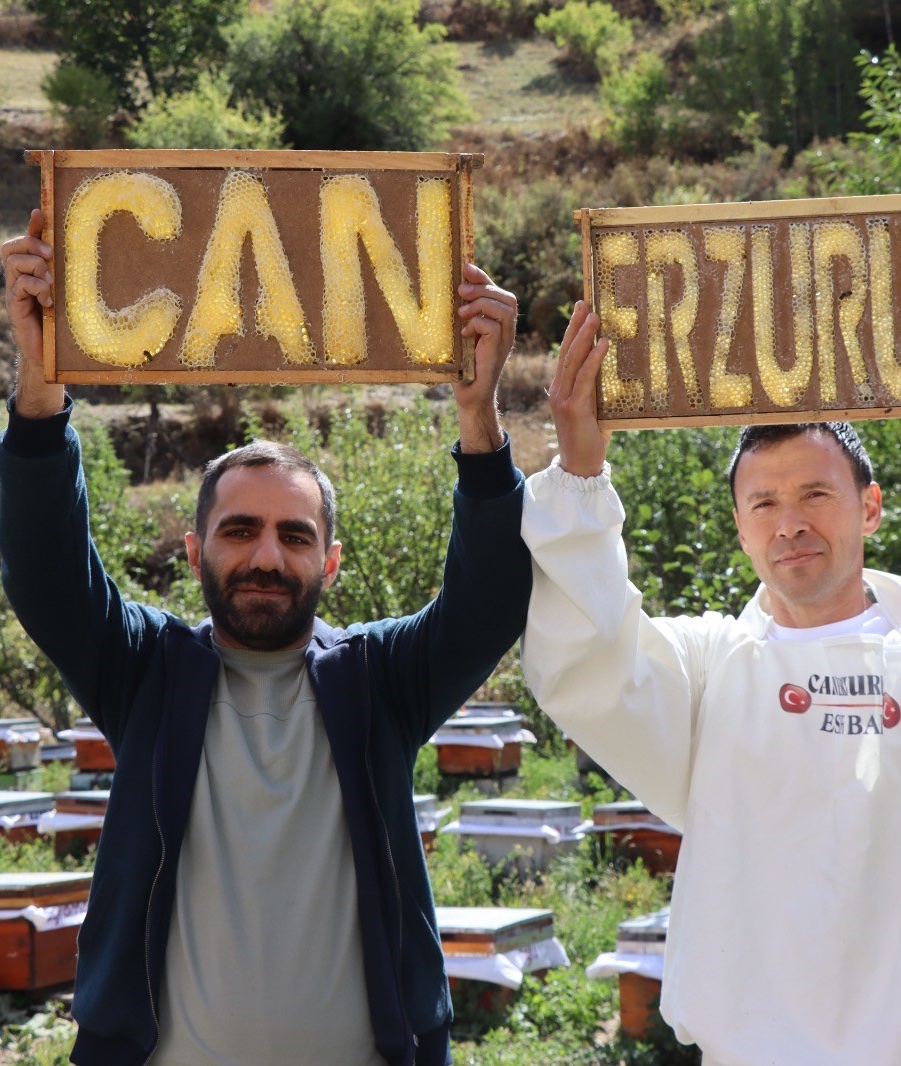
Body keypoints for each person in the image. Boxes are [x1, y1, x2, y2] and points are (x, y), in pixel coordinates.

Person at [0, 208, 532, 1066]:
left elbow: (492, 601)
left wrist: (480, 415)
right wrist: (39, 379)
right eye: (240, 530)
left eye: (295, 536)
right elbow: (46, 573)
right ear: (194, 550)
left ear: (330, 564)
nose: (265, 557)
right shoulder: (146, 673)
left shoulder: (378, 680)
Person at [521, 280, 901, 1064]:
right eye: (765, 503)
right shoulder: (708, 673)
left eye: (816, 493)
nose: (792, 524)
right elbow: (585, 660)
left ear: (869, 506)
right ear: (739, 526)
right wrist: (578, 473)